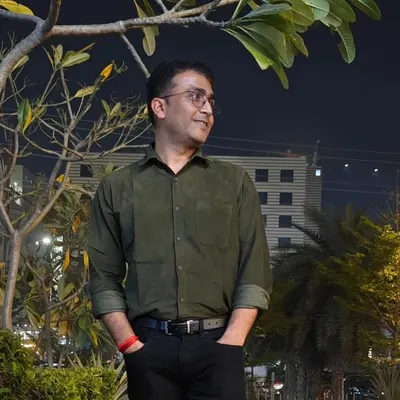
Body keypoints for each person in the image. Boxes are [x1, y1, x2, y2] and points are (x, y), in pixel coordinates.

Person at [88, 60, 273, 400]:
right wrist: (130, 344)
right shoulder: (117, 188)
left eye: (211, 101)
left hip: (218, 348)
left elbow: (255, 270)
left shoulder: (234, 182)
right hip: (148, 350)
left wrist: (232, 340)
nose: (207, 110)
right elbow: (103, 279)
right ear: (159, 107)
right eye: (195, 97)